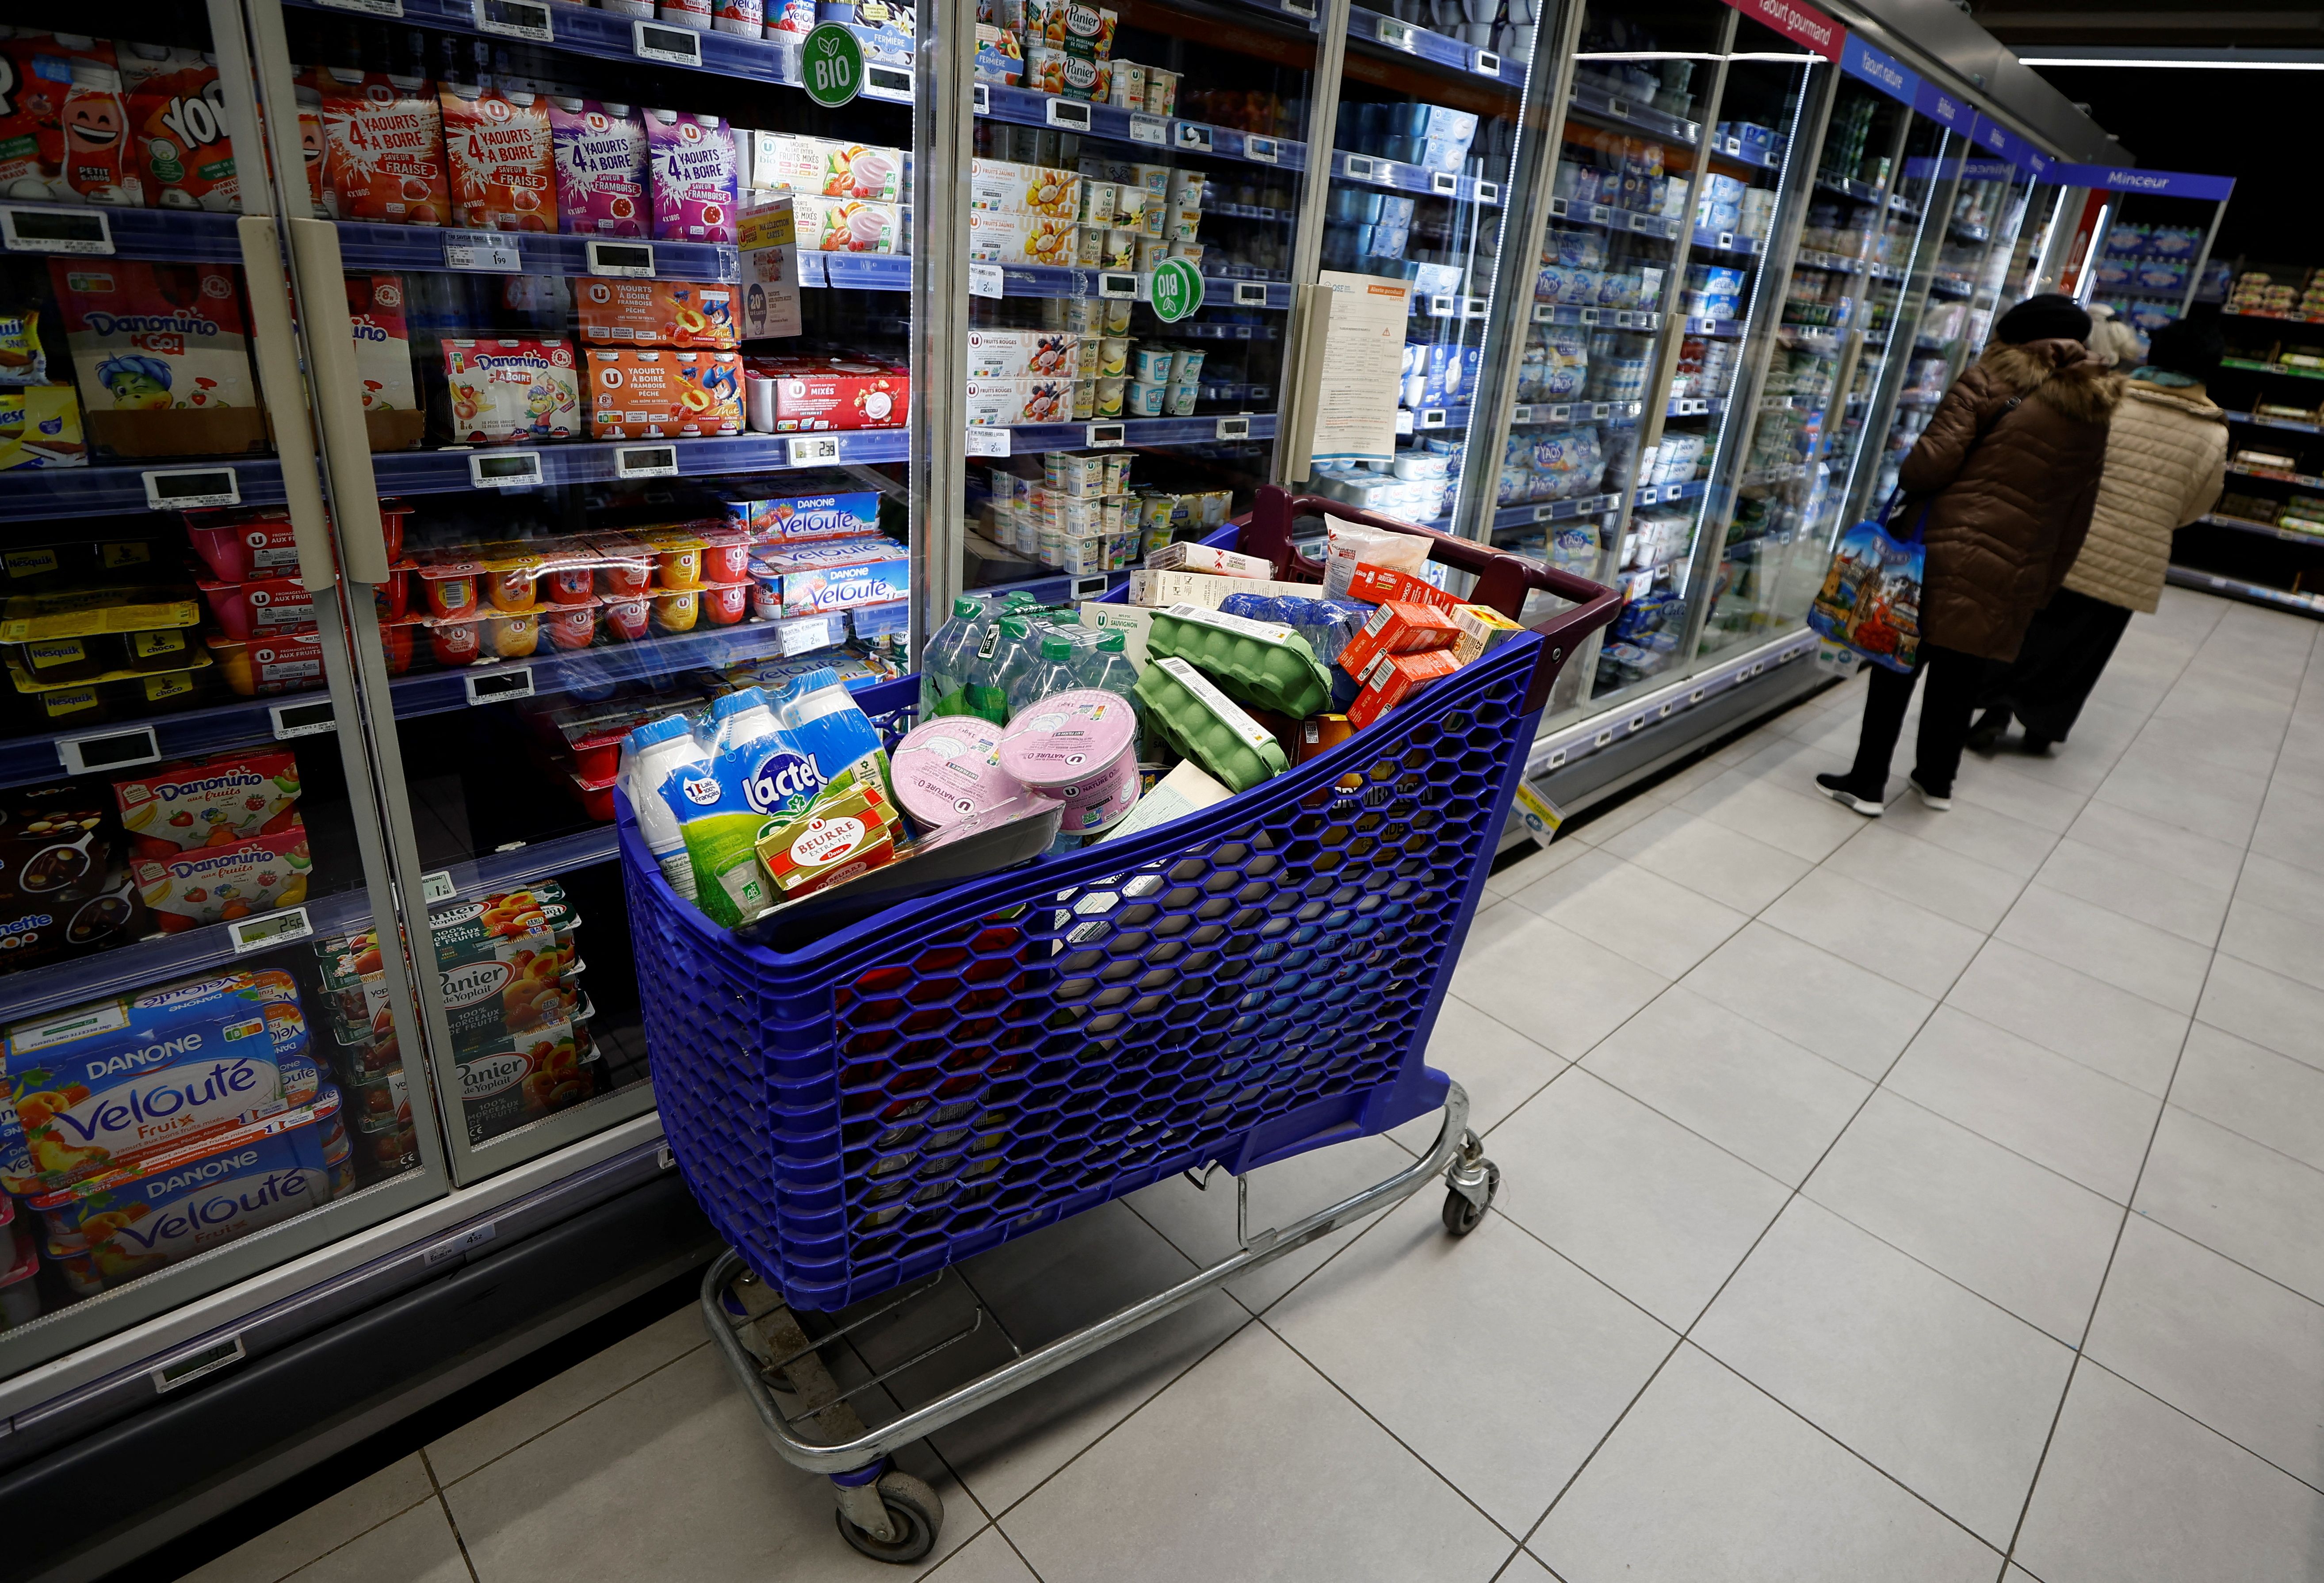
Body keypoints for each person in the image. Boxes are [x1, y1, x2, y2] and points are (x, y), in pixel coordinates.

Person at [1816, 294, 2125, 816]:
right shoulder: (2094, 409)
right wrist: (2044, 583)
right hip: (2015, 569)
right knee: (1962, 677)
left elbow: (1926, 470)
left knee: (1896, 665)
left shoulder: (1988, 381)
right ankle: (1937, 780)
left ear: (2014, 336)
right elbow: (2079, 511)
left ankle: (1868, 782)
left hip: (1940, 552)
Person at [1967, 318, 2228, 755]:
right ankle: (2043, 729)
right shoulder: (2214, 432)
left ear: (2153, 355)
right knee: (2085, 647)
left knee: (2030, 627)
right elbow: (2199, 504)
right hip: (2135, 554)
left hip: (2068, 539)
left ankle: (1996, 708)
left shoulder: (2107, 399)